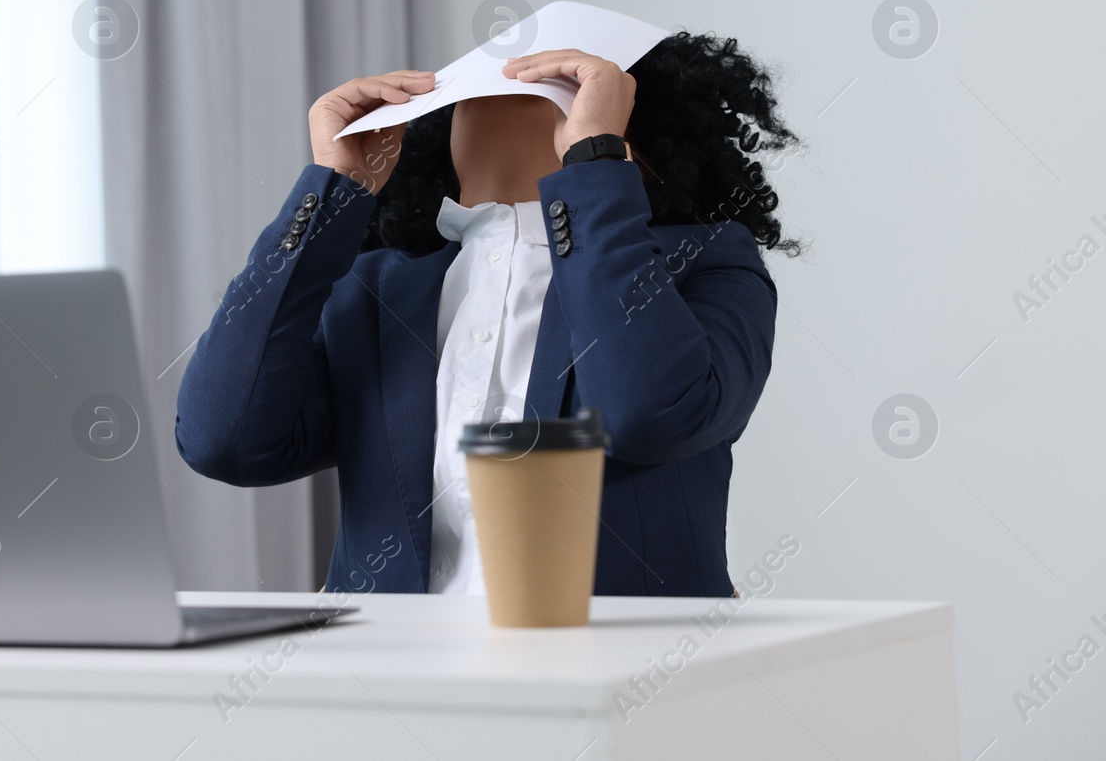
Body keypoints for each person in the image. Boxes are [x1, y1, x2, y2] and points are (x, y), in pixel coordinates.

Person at [176, 33, 801, 598]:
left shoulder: (707, 264)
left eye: (556, 86)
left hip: (620, 686)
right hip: (389, 686)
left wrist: (593, 170)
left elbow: (648, 416)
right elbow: (223, 440)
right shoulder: (379, 287)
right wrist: (330, 194)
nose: (503, 89)